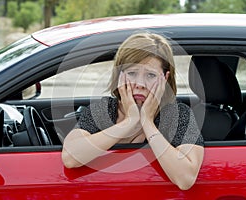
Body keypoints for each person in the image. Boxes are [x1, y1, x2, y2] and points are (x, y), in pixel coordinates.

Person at [62, 32, 204, 190]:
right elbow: (70, 158)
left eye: (150, 75)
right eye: (132, 73)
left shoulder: (177, 114)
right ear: (119, 75)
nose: (140, 84)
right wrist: (129, 122)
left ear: (165, 78)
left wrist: (147, 122)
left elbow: (186, 179)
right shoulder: (104, 109)